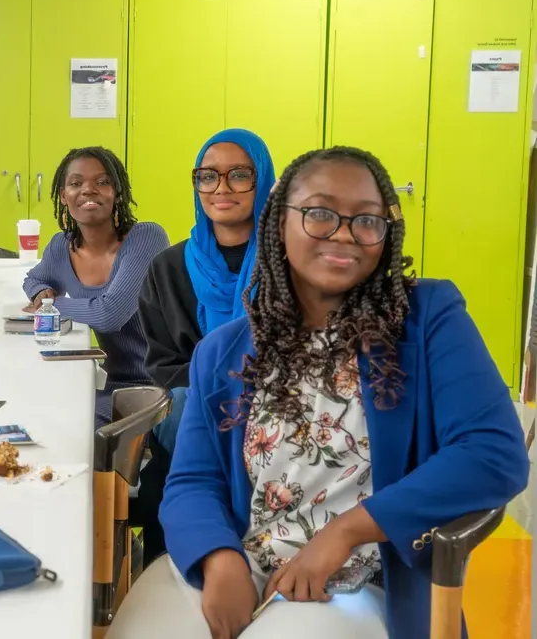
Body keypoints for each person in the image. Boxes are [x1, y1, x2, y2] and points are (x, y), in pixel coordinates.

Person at [110, 146, 529, 639]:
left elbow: (493, 453)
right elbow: (192, 482)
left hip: (361, 582)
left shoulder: (427, 319)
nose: (345, 234)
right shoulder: (224, 351)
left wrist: (347, 530)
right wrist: (220, 561)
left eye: (367, 220)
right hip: (241, 561)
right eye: (320, 213)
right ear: (278, 222)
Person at [135, 129, 276, 567]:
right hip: (191, 402)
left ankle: (255, 543)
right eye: (208, 176)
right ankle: (206, 542)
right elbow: (161, 364)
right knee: (181, 407)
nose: (221, 189)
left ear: (264, 180)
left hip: (272, 398)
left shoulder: (287, 262)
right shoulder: (169, 267)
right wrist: (220, 394)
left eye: (239, 175)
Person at [23, 146, 169, 427]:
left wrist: (49, 306)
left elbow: (109, 314)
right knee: (36, 404)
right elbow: (33, 278)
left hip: (162, 389)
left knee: (61, 422)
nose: (88, 190)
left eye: (102, 182)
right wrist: (40, 292)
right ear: (64, 196)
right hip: (115, 386)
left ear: (117, 192)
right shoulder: (61, 246)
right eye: (76, 183)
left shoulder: (146, 238)